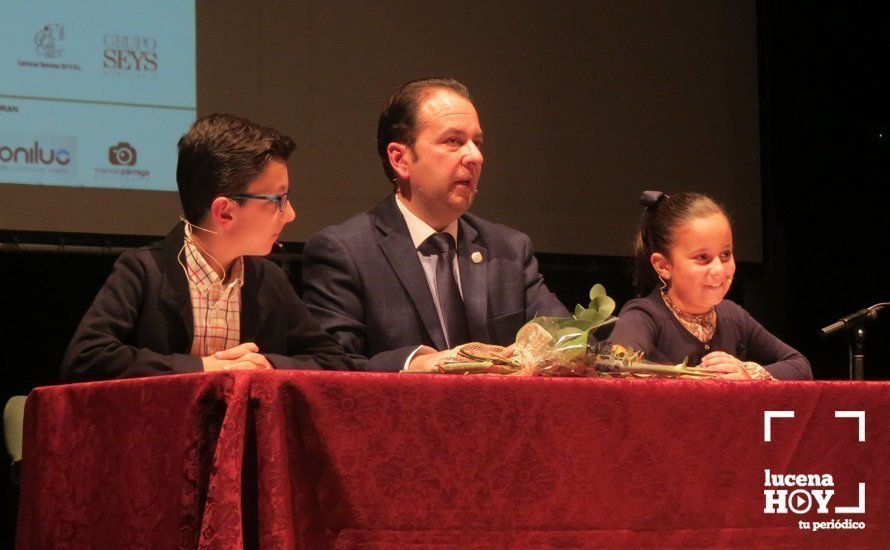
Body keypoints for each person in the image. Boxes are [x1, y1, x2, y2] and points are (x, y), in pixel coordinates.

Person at [302, 78, 568, 371]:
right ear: (400, 159)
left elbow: (565, 340)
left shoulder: (509, 249)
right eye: (453, 141)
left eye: (477, 142)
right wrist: (415, 364)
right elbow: (333, 368)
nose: (475, 157)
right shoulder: (345, 251)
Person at [62, 114, 354, 381]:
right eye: (278, 199)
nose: (290, 214)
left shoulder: (269, 279)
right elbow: (86, 358)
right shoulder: (143, 271)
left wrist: (267, 365)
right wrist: (204, 368)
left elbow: (333, 361)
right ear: (225, 212)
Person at [609, 190, 812, 380]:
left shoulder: (733, 316)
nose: (719, 270)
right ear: (663, 266)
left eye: (725, 255)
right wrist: (690, 378)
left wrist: (748, 373)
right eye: (703, 258)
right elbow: (616, 367)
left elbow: (800, 366)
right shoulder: (644, 315)